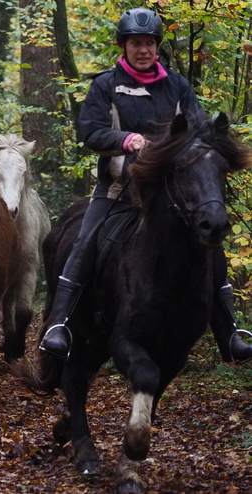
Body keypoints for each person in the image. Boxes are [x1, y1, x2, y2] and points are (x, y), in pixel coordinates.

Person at [39, 7, 252, 363]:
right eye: (136, 43)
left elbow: (197, 131)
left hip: (171, 196)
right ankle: (58, 324)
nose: (144, 50)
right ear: (124, 46)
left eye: (150, 43)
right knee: (83, 243)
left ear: (157, 47)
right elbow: (90, 131)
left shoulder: (177, 85)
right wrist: (127, 140)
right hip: (118, 189)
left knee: (211, 245)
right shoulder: (105, 85)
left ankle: (229, 333)